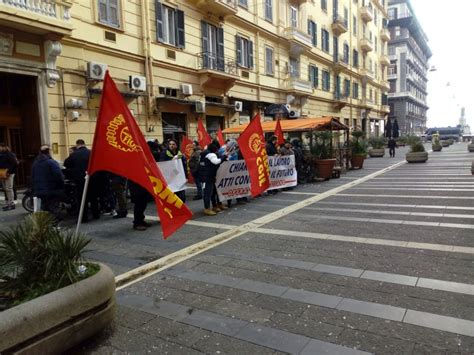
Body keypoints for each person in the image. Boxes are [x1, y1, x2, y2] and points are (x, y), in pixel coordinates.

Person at [64, 139, 99, 222]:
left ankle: (84, 217)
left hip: (79, 179)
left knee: (82, 199)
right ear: (84, 144)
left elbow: (66, 164)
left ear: (77, 145)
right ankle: (96, 214)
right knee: (93, 197)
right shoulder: (91, 153)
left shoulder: (74, 154)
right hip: (92, 178)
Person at [31, 145, 64, 219]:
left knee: (45, 208)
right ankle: (54, 226)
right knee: (54, 209)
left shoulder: (35, 163)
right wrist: (61, 186)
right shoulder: (51, 162)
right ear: (49, 152)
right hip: (52, 190)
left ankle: (47, 225)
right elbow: (58, 176)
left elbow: (32, 176)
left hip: (40, 190)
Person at [199, 142, 227, 216]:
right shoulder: (210, 154)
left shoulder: (203, 153)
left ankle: (211, 207)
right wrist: (224, 157)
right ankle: (207, 208)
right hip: (208, 176)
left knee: (211, 192)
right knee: (208, 193)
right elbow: (216, 162)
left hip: (205, 175)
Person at [159, 139, 187, 203]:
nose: (171, 146)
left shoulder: (180, 154)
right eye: (170, 144)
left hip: (179, 177)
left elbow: (184, 166)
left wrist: (186, 176)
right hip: (170, 178)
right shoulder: (164, 153)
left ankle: (182, 209)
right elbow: (162, 164)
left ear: (176, 146)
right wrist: (172, 160)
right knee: (173, 196)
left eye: (173, 144)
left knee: (182, 196)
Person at [0, 142, 19, 211]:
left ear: (4, 147)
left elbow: (15, 164)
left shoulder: (9, 154)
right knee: (5, 188)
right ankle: (8, 203)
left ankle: (11, 204)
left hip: (9, 173)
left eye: (0, 147)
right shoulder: (1, 154)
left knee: (8, 188)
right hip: (2, 173)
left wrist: (8, 171)